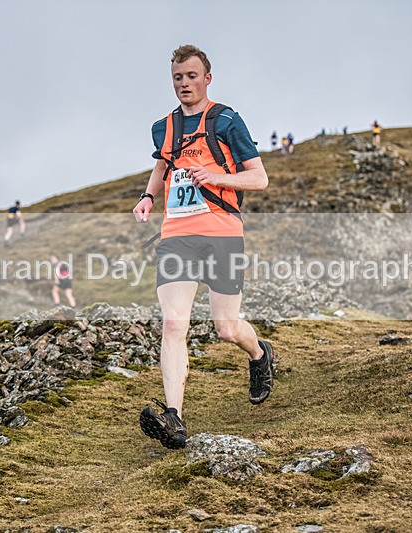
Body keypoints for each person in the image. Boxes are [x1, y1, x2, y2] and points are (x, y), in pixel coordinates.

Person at [132, 44, 276, 450]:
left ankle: (259, 353)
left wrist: (214, 176)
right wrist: (147, 196)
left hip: (222, 231)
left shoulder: (227, 120)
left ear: (207, 78)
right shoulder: (164, 127)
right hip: (177, 234)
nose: (184, 84)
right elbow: (162, 164)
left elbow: (259, 179)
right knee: (174, 323)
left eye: (192, 76)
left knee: (226, 328)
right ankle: (174, 419)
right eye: (178, 77)